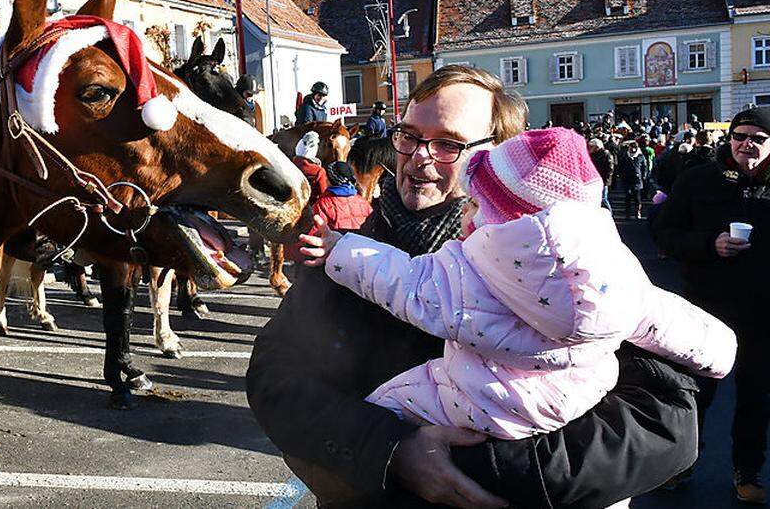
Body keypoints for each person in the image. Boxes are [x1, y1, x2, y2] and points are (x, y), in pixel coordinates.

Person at [246, 65, 704, 508]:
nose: (418, 157)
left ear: (497, 154)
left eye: (448, 144)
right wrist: (392, 451)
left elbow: (668, 423)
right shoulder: (350, 257)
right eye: (408, 136)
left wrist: (491, 467)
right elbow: (273, 377)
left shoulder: (564, 264)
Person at [302, 128, 734, 456]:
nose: (467, 213)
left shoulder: (475, 267)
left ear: (500, 218)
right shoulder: (618, 272)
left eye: (475, 205)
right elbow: (670, 320)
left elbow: (405, 281)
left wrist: (341, 248)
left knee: (383, 409)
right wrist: (722, 350)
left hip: (477, 400)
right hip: (572, 405)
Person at [653, 106, 770, 503]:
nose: (746, 144)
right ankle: (680, 466)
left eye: (757, 137)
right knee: (693, 394)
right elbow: (664, 232)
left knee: (755, 396)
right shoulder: (699, 179)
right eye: (740, 136)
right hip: (706, 307)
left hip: (762, 312)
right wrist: (708, 244)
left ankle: (747, 471)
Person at [292, 131, 328, 202]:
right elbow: (323, 192)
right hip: (312, 205)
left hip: (295, 203)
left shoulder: (291, 165)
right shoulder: (319, 171)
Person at [616, 140, 647, 219]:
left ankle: (638, 212)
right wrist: (621, 175)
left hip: (637, 180)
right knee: (628, 196)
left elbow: (644, 167)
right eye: (631, 148)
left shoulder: (640, 156)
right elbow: (620, 166)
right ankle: (627, 213)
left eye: (635, 148)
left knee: (637, 197)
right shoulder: (624, 156)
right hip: (627, 179)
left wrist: (643, 176)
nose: (633, 150)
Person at [588, 137, 615, 212]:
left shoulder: (606, 154)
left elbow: (610, 169)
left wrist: (606, 181)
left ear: (597, 147)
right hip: (595, 179)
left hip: (603, 180)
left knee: (603, 198)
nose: (590, 148)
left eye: (591, 146)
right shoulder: (593, 155)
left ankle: (610, 213)